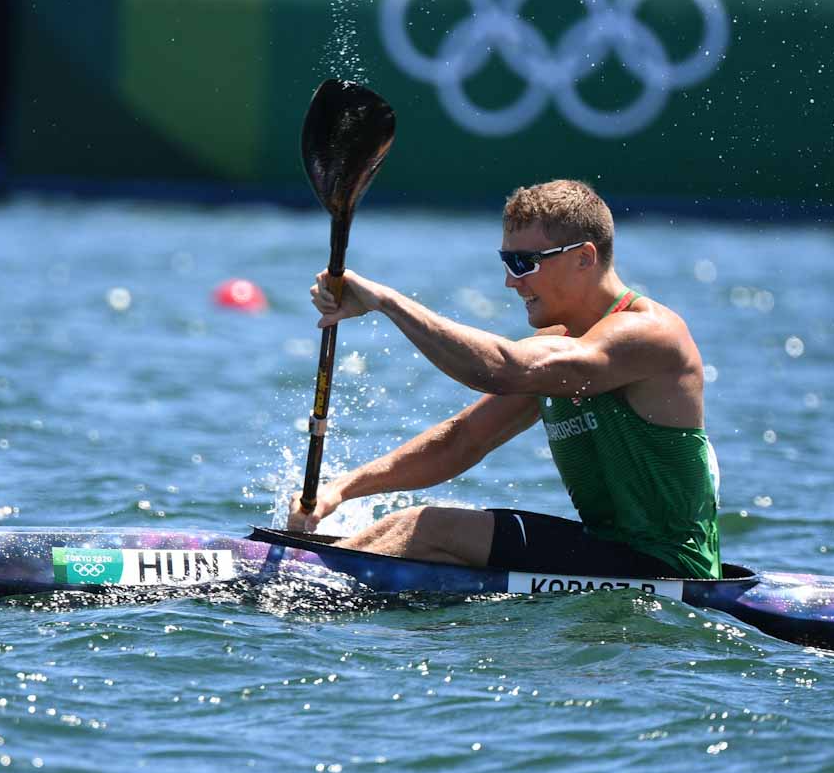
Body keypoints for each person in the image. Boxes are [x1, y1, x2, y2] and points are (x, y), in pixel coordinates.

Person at [287, 179, 722, 579]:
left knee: (427, 528)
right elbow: (462, 441)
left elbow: (502, 369)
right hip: (606, 552)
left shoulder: (648, 335)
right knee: (418, 543)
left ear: (584, 258)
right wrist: (339, 490)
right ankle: (313, 578)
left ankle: (294, 586)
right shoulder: (557, 343)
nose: (510, 281)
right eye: (506, 261)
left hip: (667, 567)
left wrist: (387, 302)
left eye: (524, 262)